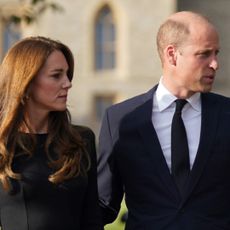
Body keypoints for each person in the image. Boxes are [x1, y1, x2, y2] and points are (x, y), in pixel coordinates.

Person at [97, 11, 230, 230]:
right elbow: (103, 204)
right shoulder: (120, 119)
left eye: (216, 53)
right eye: (204, 54)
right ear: (172, 55)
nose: (215, 63)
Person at [0, 36, 102, 230]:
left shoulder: (81, 140)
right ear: (27, 81)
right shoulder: (3, 144)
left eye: (67, 74)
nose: (68, 83)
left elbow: (92, 219)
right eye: (56, 75)